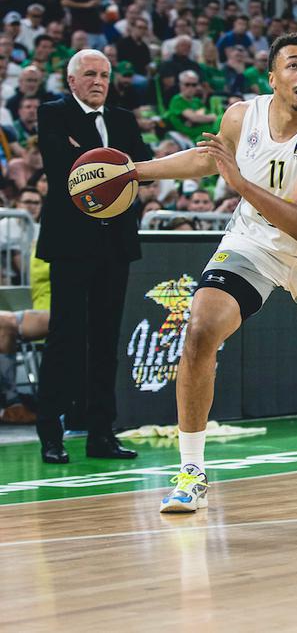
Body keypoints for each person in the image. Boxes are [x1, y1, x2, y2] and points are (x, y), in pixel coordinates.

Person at [135, 33, 297, 513]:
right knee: (200, 331)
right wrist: (136, 171)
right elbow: (207, 158)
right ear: (272, 78)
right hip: (252, 244)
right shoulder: (239, 116)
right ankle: (191, 470)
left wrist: (239, 182)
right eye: (293, 65)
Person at [34, 49, 153, 464]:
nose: (98, 81)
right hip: (70, 243)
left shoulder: (123, 119)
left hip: (114, 242)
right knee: (65, 338)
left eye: (103, 74)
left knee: (106, 340)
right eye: (89, 74)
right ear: (72, 81)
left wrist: (94, 162)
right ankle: (51, 433)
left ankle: (102, 433)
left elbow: (142, 166)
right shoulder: (52, 112)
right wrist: (109, 167)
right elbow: (61, 166)